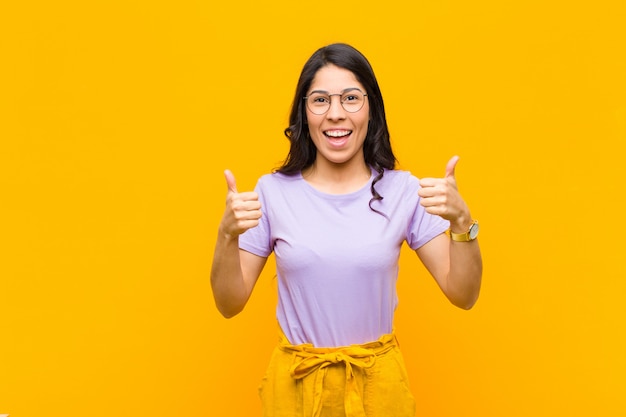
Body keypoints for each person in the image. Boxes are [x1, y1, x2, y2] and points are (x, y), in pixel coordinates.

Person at [211, 43, 482, 417]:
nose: (335, 114)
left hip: (377, 389)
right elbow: (229, 303)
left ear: (372, 109)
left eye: (351, 98)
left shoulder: (403, 191)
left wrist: (462, 224)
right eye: (320, 100)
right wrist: (226, 236)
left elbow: (463, 293)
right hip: (295, 389)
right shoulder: (271, 192)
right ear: (304, 113)